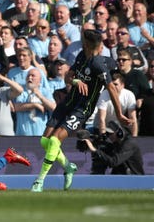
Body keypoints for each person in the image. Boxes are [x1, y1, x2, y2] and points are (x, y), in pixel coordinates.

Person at [31, 30, 134, 192]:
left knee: (54, 141)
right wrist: (77, 81)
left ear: (86, 42)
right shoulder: (81, 56)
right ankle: (68, 167)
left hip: (81, 109)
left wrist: (120, 113)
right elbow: (68, 77)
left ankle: (39, 181)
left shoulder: (98, 64)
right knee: (44, 141)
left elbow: (112, 89)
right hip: (67, 103)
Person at [79, 120, 144, 175]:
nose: (108, 136)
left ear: (119, 133)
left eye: (110, 133)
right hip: (120, 176)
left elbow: (114, 162)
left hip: (134, 178)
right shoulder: (116, 143)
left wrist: (95, 150)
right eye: (107, 133)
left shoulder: (129, 143)